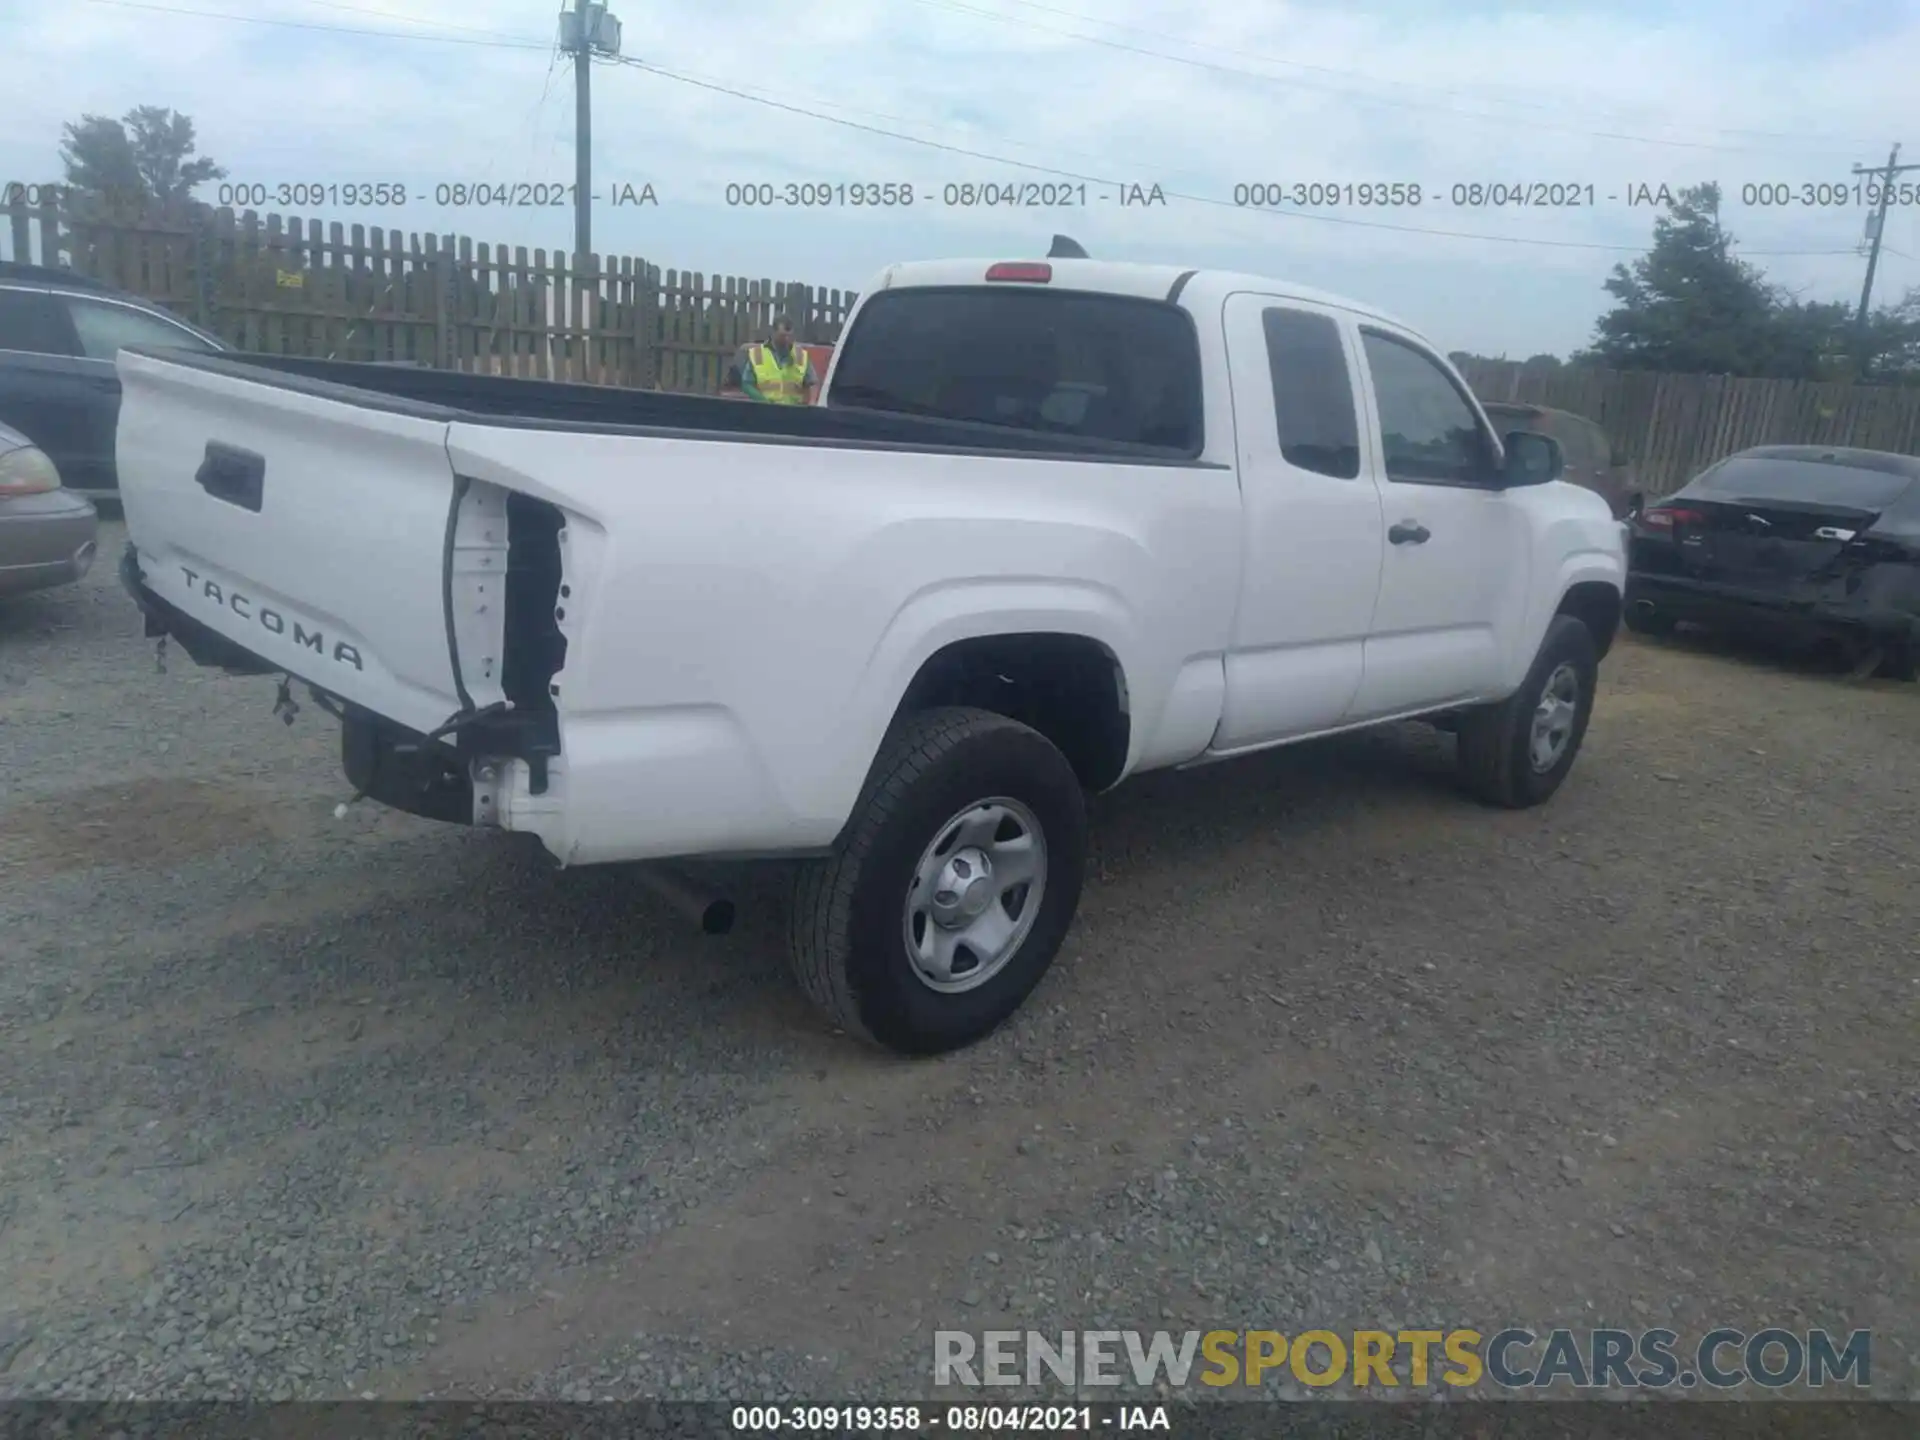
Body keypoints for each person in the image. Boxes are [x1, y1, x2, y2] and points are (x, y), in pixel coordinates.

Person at [729, 316, 818, 405]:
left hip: (793, 411)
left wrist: (812, 401)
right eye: (782, 336)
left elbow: (813, 382)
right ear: (773, 333)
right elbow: (747, 384)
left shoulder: (801, 355)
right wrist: (763, 401)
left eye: (789, 336)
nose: (786, 339)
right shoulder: (757, 354)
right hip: (766, 410)